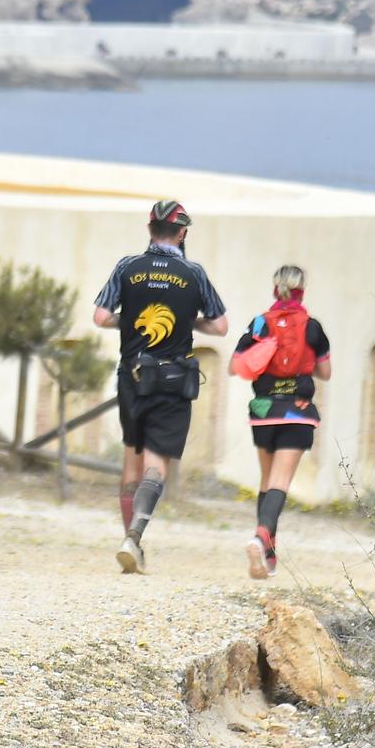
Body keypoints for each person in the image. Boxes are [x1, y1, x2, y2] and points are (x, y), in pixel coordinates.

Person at [92, 201, 229, 574]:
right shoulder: (193, 272)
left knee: (130, 459)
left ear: (149, 228)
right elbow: (220, 327)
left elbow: (101, 316)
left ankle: (128, 542)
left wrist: (130, 322)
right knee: (156, 465)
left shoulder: (127, 267)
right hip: (171, 380)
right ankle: (134, 536)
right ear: (182, 233)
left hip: (131, 377)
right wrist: (190, 324)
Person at [231, 264, 332, 579]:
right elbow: (325, 373)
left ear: (276, 289)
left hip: (263, 412)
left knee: (266, 481)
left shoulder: (260, 323)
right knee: (280, 483)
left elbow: (237, 364)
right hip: (296, 412)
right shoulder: (312, 327)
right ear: (302, 290)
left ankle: (268, 553)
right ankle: (261, 537)